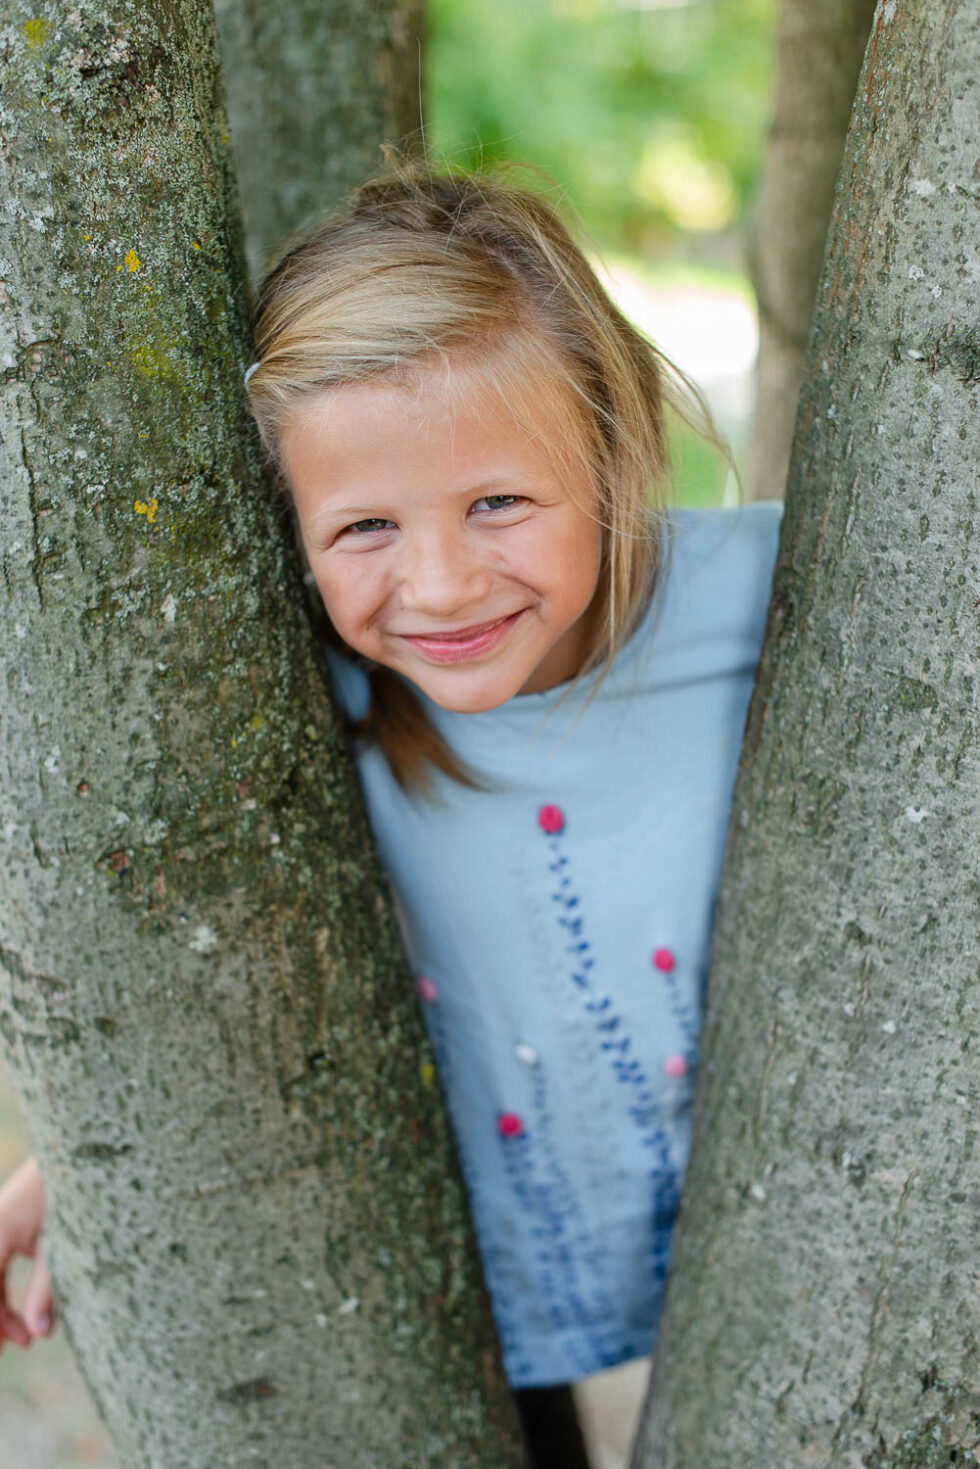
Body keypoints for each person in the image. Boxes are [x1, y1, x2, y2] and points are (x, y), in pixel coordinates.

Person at [0, 160, 782, 1468]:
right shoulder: (309, 708)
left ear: (611, 447)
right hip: (476, 1267)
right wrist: (67, 1174)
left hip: (765, 1229)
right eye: (365, 524)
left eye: (497, 502)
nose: (440, 581)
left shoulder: (769, 598)